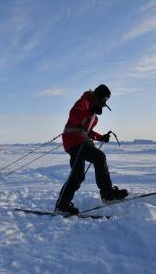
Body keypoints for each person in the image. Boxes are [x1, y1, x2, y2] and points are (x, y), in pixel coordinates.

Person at [55, 84, 128, 215]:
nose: (103, 105)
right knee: (99, 157)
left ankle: (62, 204)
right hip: (74, 142)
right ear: (98, 97)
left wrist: (101, 137)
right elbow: (74, 115)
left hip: (81, 141)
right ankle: (107, 193)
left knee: (77, 175)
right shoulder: (83, 102)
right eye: (103, 101)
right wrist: (89, 111)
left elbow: (88, 131)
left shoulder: (92, 110)